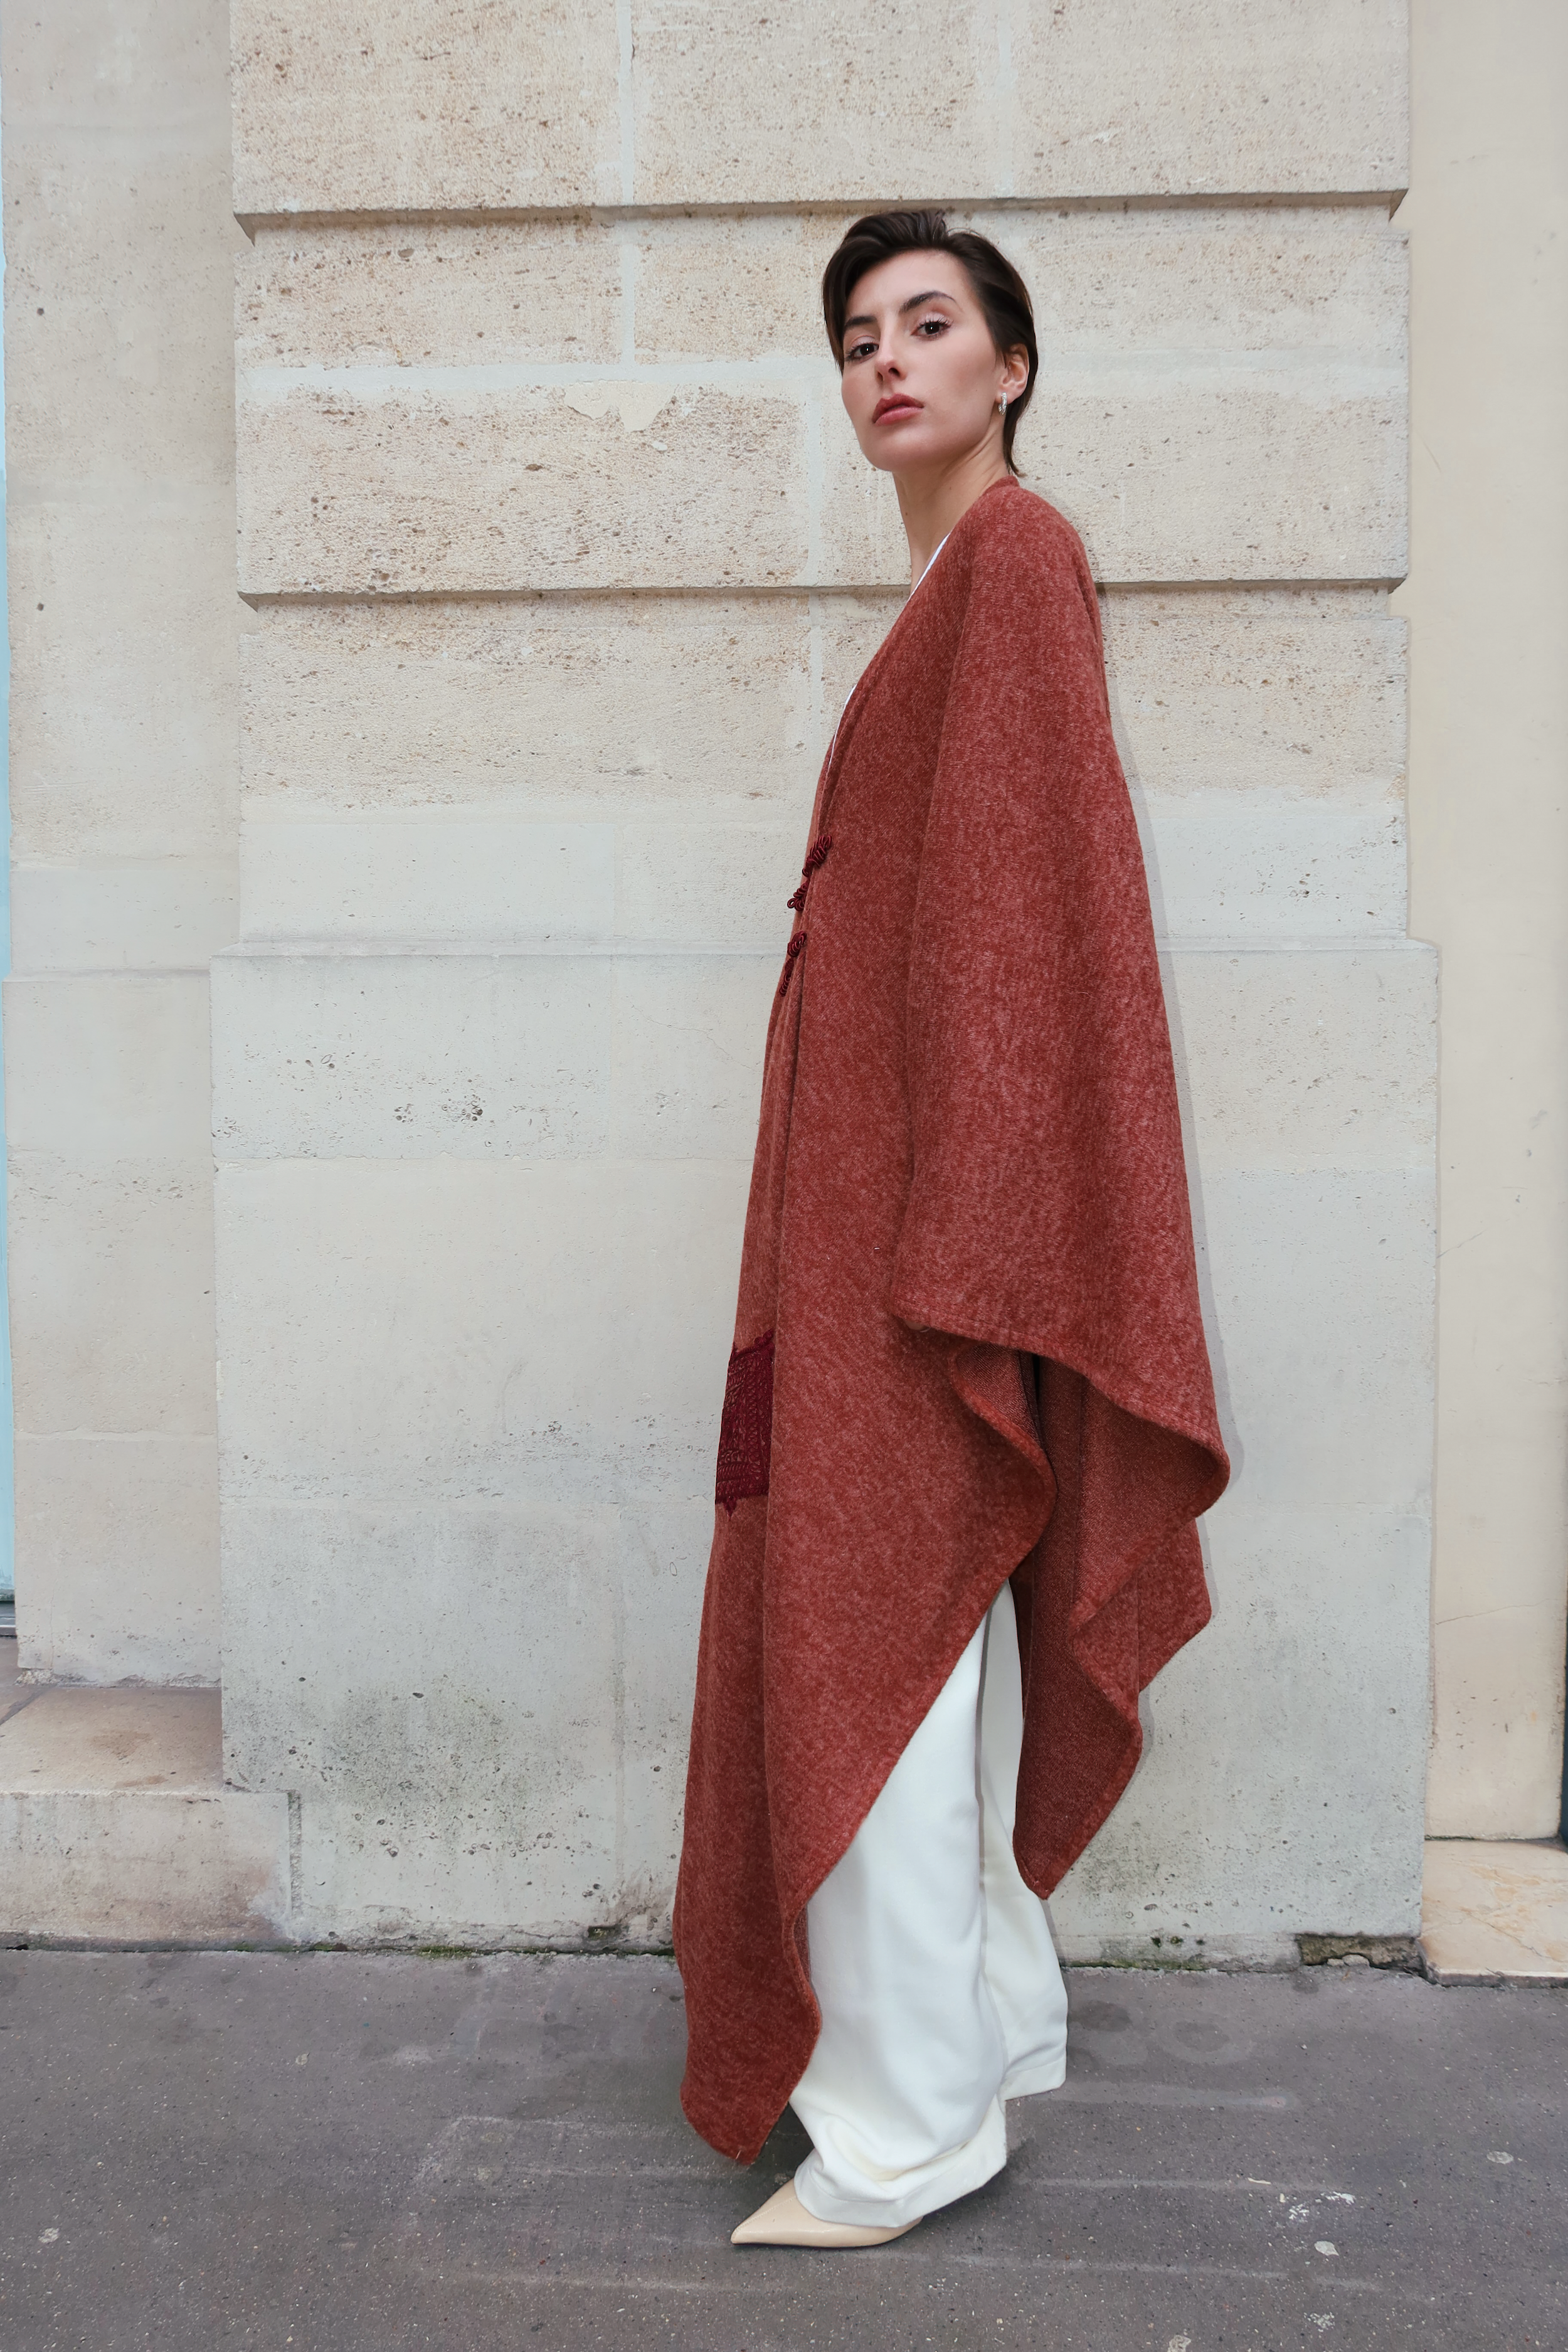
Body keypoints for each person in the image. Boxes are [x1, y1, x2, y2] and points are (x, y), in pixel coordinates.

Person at [672, 209, 1229, 2249]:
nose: (884, 360)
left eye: (929, 325)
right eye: (854, 338)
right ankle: (971, 2035)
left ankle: (905, 2124)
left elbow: (1024, 929)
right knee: (907, 1644)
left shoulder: (1014, 557)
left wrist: (966, 1244)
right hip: (869, 1208)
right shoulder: (949, 584)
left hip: (917, 1226)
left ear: (1008, 365)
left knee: (876, 1638)